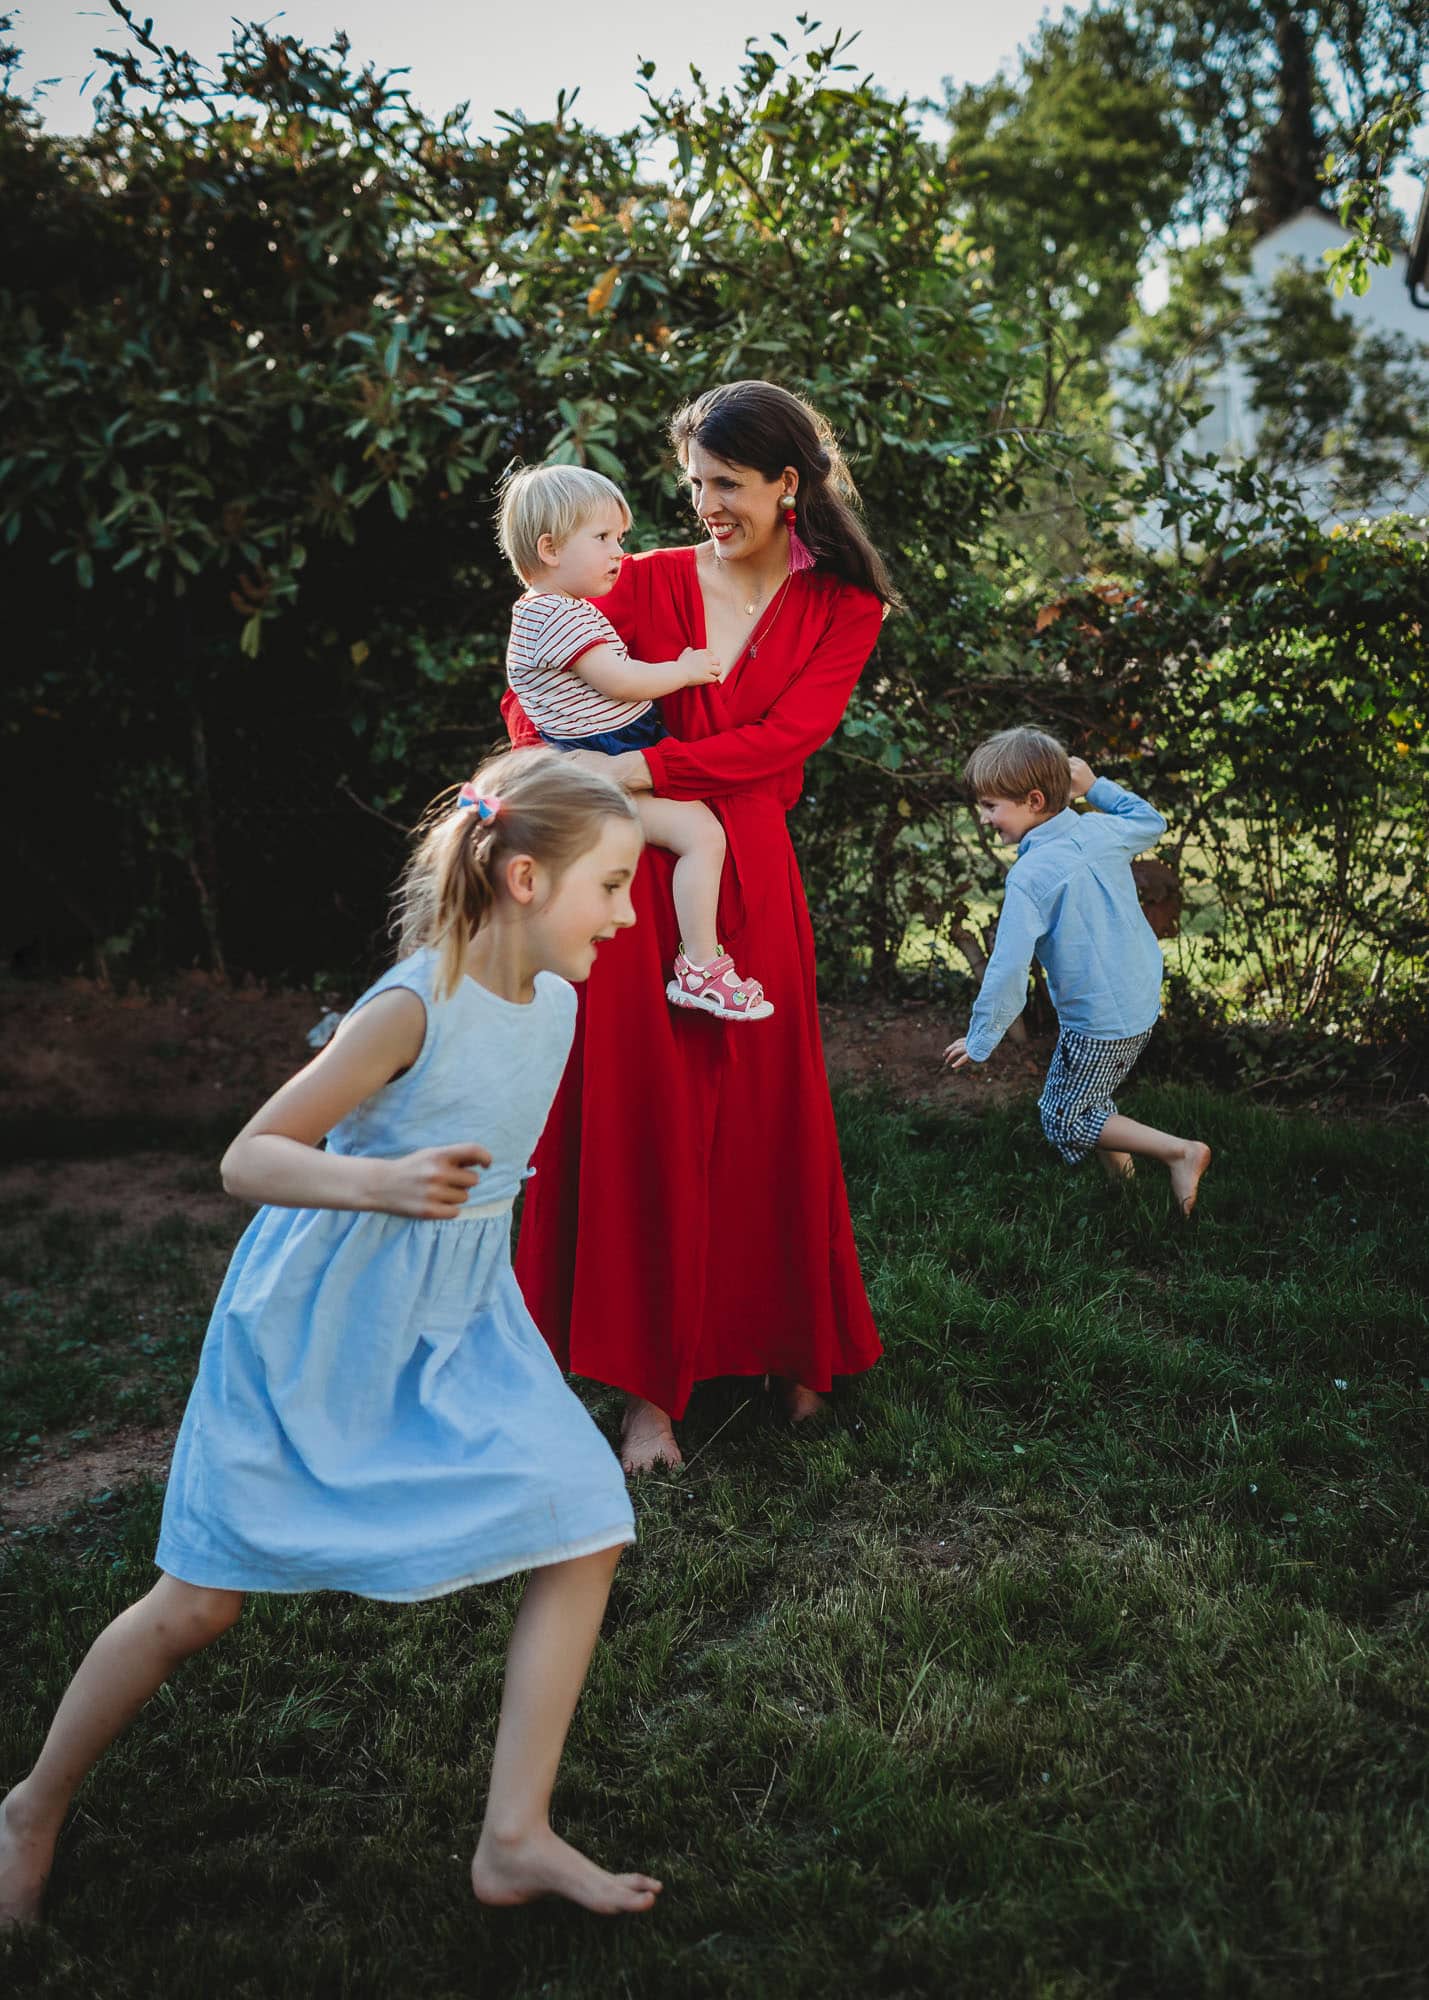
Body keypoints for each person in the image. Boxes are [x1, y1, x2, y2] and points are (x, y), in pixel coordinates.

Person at [0, 750, 664, 1928]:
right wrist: (383, 1181)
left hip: (458, 1321)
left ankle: (513, 1834)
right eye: (610, 885)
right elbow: (247, 1157)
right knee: (197, 1606)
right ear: (523, 878)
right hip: (317, 1326)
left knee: (584, 1515)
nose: (624, 914)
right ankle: (29, 1807)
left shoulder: (557, 1004)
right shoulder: (411, 1005)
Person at [501, 379, 898, 1474]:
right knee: (649, 1122)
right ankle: (648, 1399)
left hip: (746, 869)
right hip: (637, 876)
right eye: (694, 484)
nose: (705, 505)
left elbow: (784, 740)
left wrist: (637, 768)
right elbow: (535, 692)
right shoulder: (643, 580)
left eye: (725, 483)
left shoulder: (844, 606)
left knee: (768, 1117)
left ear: (786, 484)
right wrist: (568, 775)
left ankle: (788, 1347)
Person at [499, 463, 772, 1022]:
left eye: (619, 538)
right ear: (550, 549)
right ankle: (701, 967)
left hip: (597, 754)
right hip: (604, 762)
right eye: (602, 538)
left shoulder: (544, 611)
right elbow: (621, 681)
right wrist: (684, 670)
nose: (618, 552)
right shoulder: (558, 617)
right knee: (701, 835)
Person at [943, 727, 1212, 1216]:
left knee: (1064, 1117)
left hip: (1098, 1017)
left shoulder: (1030, 875)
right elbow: (1150, 822)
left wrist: (982, 1038)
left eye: (989, 806)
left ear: (1034, 800)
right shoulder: (1097, 830)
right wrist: (1095, 788)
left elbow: (1007, 969)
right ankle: (1125, 1195)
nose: (982, 819)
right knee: (1092, 1098)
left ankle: (1180, 1152)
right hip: (1136, 999)